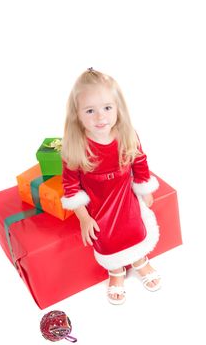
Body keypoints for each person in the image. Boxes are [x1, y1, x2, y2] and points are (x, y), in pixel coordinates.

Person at [60, 68, 161, 305]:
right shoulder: (75, 145)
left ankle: (139, 260)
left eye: (107, 108)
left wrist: (144, 190)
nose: (100, 117)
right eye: (90, 110)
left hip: (124, 193)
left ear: (118, 108)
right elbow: (71, 187)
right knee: (104, 235)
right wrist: (84, 217)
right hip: (99, 200)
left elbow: (140, 161)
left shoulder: (126, 134)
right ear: (77, 114)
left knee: (135, 224)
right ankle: (115, 270)